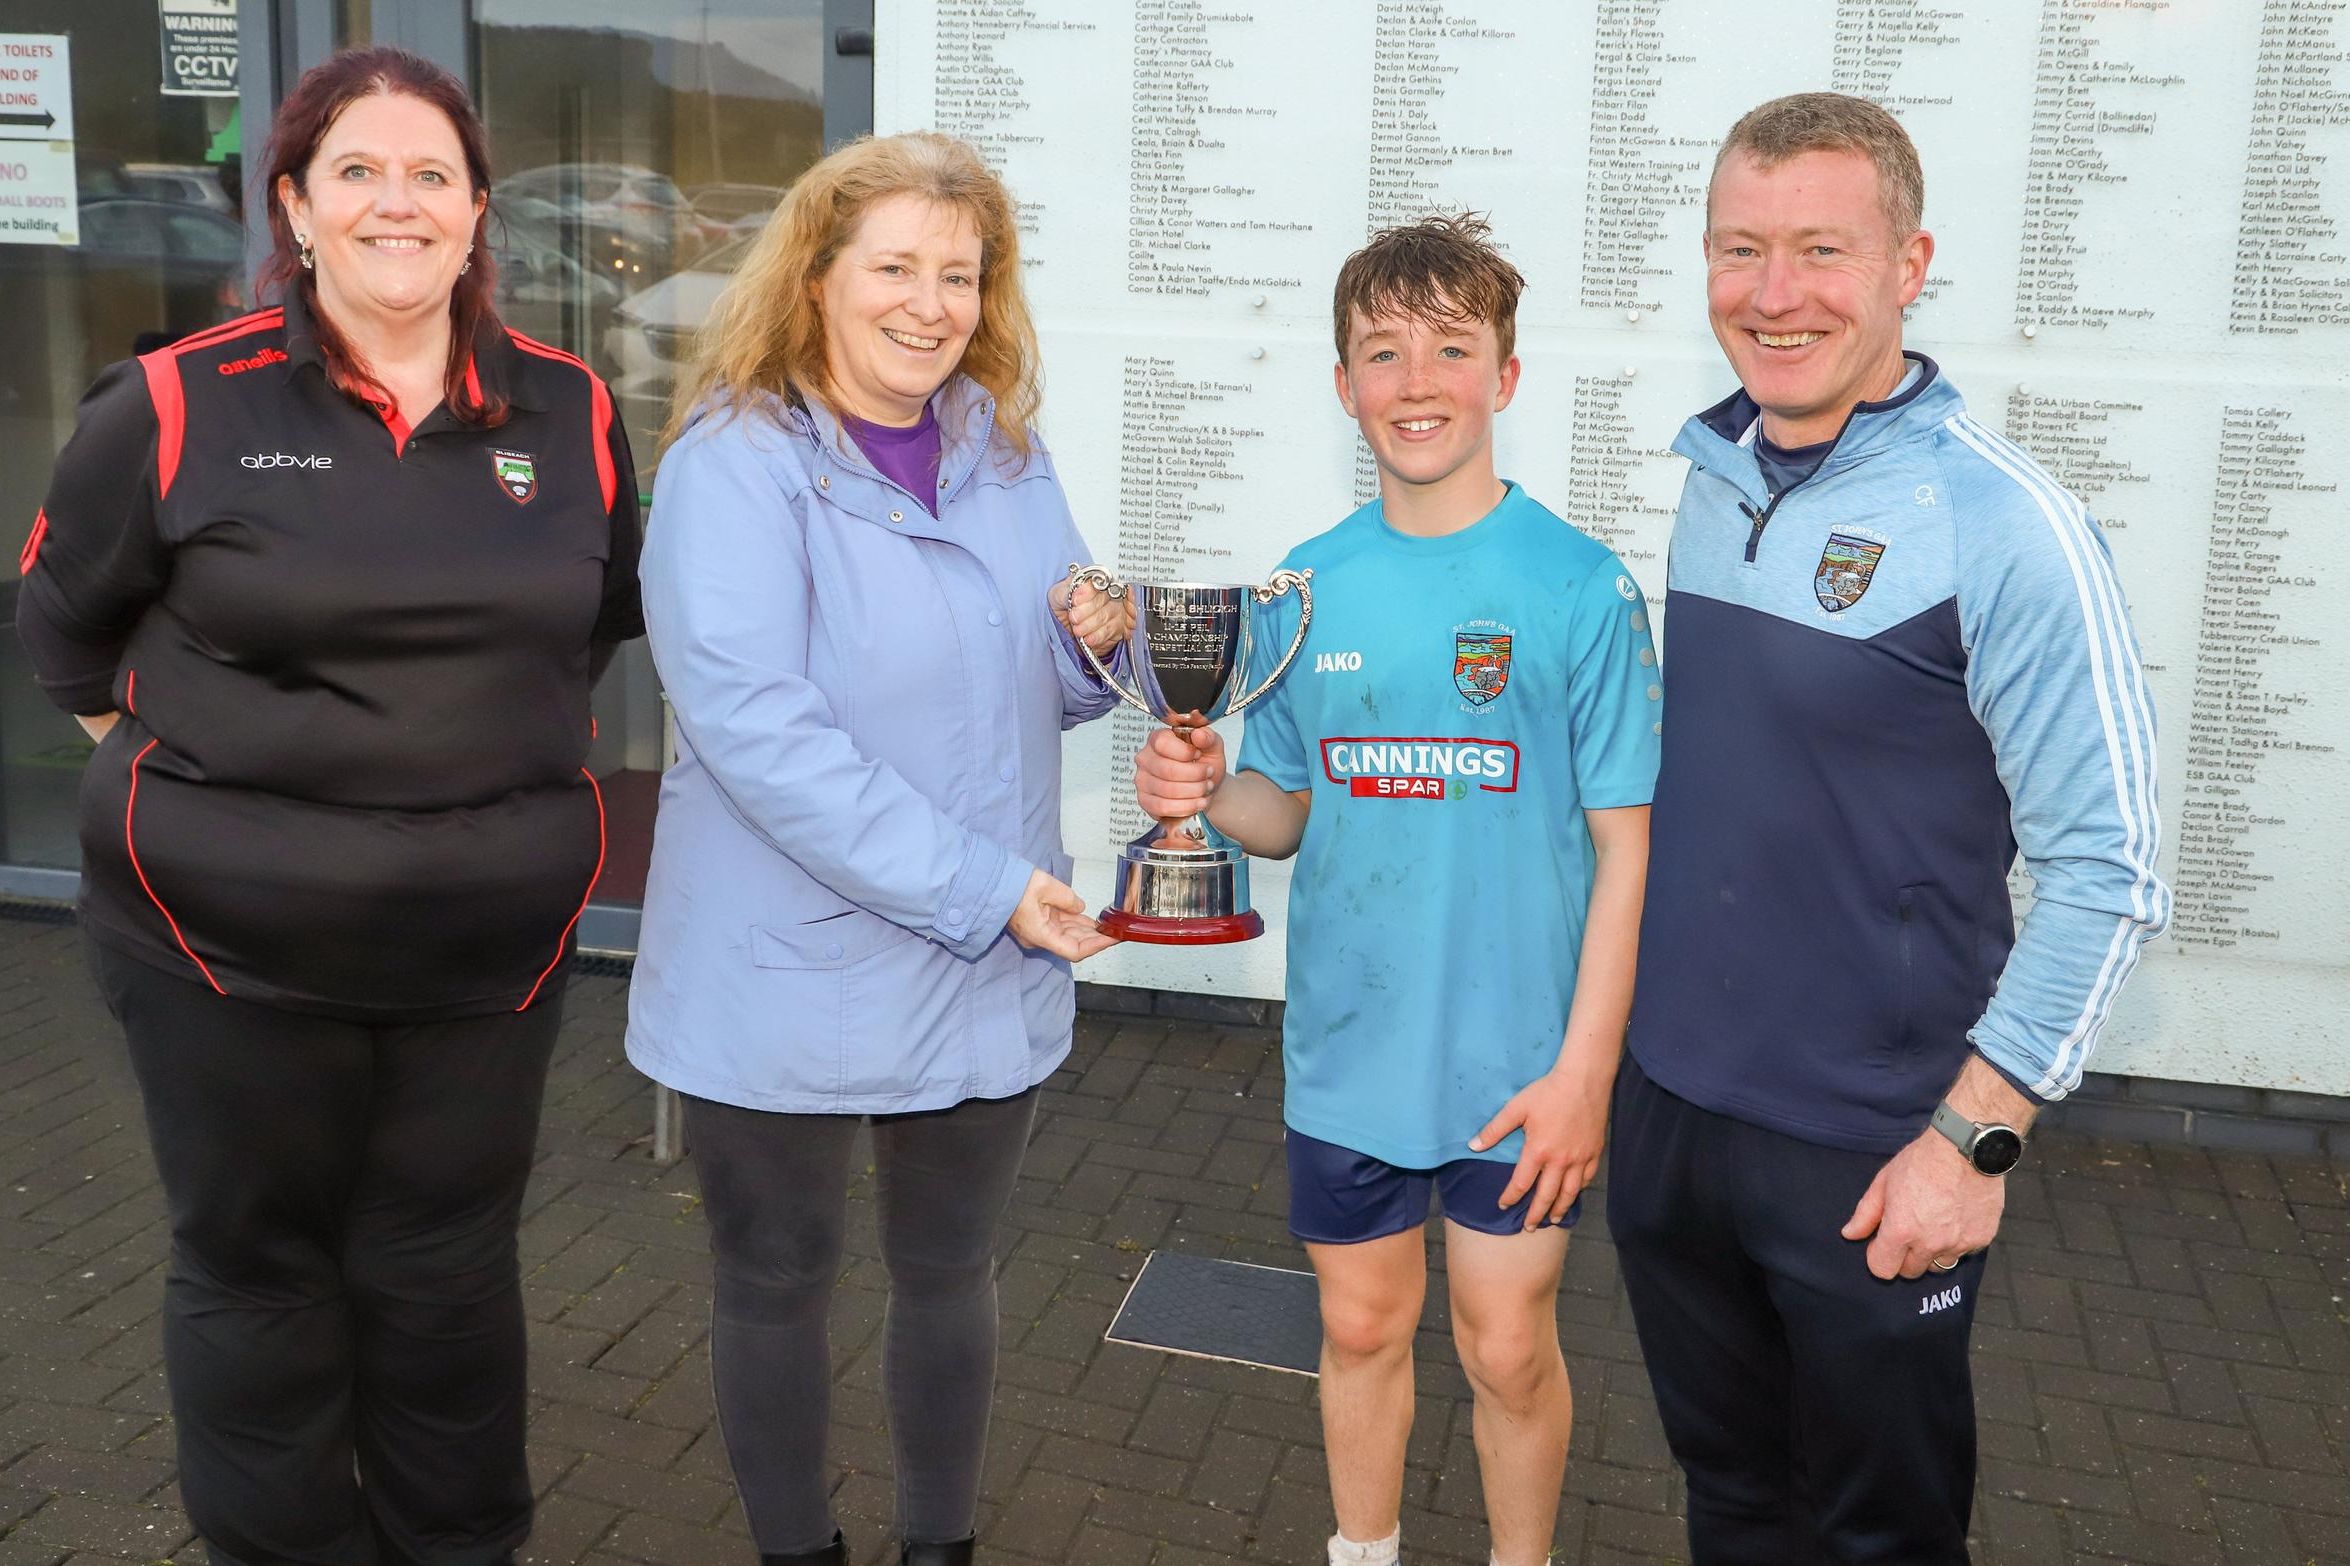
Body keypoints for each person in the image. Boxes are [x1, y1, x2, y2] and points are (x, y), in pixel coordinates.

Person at [16, 46, 642, 1566]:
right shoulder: (171, 405)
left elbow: (595, 622)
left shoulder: (571, 411)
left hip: (484, 965)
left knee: (443, 1273)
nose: (396, 202)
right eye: (354, 170)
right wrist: (229, 785)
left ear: (481, 208)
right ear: (291, 206)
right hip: (224, 957)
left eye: (432, 172)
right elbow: (63, 639)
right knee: (262, 1276)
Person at [1608, 91, 2169, 1565]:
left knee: (1881, 1536)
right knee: (1732, 1503)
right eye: (1740, 249)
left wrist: (1968, 1141)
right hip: (1671, 1113)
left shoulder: (2004, 526)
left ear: (1907, 264)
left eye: (1818, 249)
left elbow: (2108, 874)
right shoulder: (1708, 480)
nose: (1771, 293)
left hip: (1872, 1150)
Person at [624, 132, 1128, 1566]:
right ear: (817, 277)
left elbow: (1052, 647)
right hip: (786, 967)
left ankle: (938, 1548)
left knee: (951, 1272)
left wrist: (1100, 654)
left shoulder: (1005, 452)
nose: (930, 303)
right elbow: (762, 735)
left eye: (958, 273)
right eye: (893, 266)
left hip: (978, 954)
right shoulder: (732, 465)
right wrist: (990, 892)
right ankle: (800, 1552)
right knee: (775, 1279)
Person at [1133, 214, 1660, 1566]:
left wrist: (1583, 1073)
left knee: (1503, 1345)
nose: (1414, 380)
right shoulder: (1304, 589)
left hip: (1514, 1065)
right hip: (1351, 1047)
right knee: (1359, 1327)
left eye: (1449, 347)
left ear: (1505, 375)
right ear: (1341, 383)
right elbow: (1287, 812)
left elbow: (1625, 851)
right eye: (1381, 351)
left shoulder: (1579, 588)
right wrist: (1201, 784)